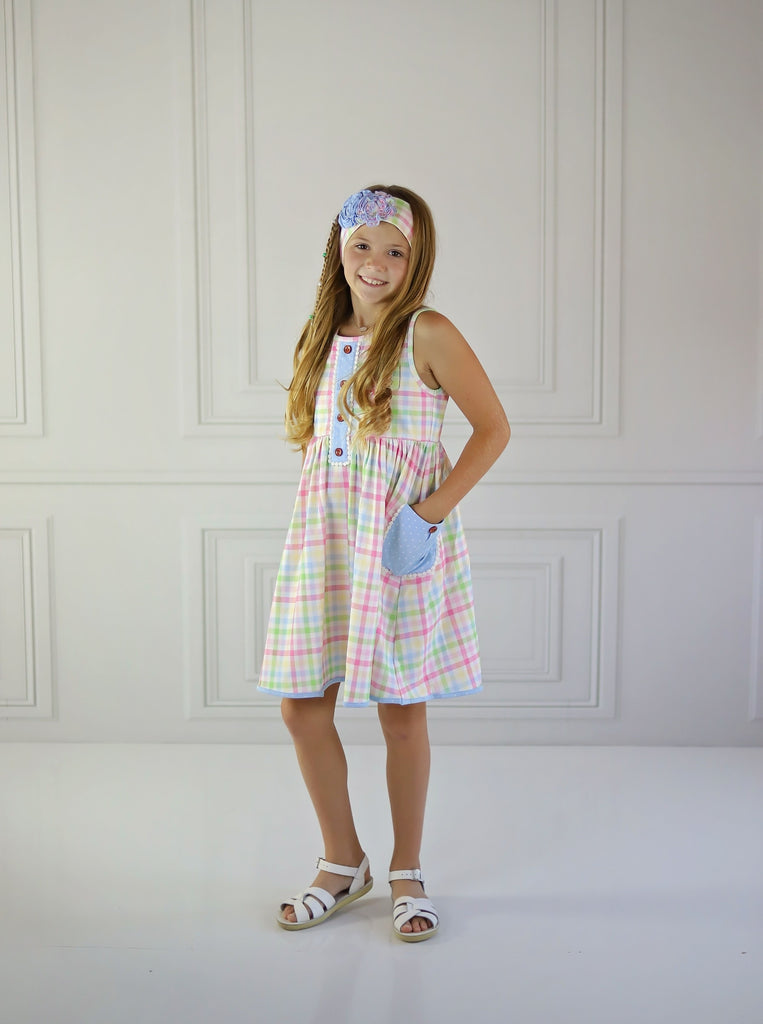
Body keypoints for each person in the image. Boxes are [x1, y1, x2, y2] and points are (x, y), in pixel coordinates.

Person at [258, 185, 510, 941]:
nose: (376, 262)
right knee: (302, 706)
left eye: (395, 251)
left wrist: (424, 518)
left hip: (399, 540)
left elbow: (493, 430)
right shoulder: (322, 334)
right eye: (362, 245)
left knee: (401, 711)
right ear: (339, 248)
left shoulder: (427, 333)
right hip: (326, 539)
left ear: (415, 260)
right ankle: (343, 861)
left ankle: (407, 869)